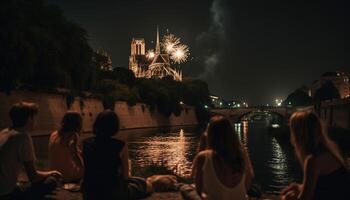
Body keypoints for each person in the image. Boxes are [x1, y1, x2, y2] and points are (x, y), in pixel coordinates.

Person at [82, 110, 152, 200]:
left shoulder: (86, 143)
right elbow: (126, 177)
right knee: (146, 185)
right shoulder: (120, 145)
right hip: (112, 193)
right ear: (115, 126)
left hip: (89, 193)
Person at [281, 111, 350, 200]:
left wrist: (285, 198)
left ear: (299, 134)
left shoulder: (313, 160)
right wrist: (300, 187)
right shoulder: (332, 149)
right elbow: (328, 186)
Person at [0, 102, 62, 200]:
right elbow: (33, 177)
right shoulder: (22, 136)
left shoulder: (4, 132)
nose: (35, 121)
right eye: (34, 117)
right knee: (51, 181)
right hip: (5, 194)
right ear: (29, 119)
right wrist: (51, 172)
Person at [192, 115, 254, 200]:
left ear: (210, 134)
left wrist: (202, 146)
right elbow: (249, 177)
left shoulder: (203, 157)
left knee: (185, 188)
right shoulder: (241, 153)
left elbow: (198, 189)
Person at [49, 111, 84, 183]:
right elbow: (75, 156)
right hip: (67, 176)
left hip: (54, 173)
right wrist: (83, 168)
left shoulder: (54, 134)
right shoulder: (73, 136)